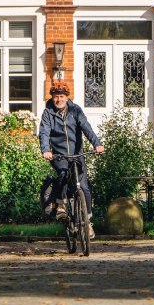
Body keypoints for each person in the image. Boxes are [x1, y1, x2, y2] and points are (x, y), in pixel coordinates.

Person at [39, 80, 104, 231]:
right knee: (63, 174)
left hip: (77, 154)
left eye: (62, 96)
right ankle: (61, 204)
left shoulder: (75, 110)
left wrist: (97, 144)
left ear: (67, 97)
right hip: (59, 155)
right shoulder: (48, 113)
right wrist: (46, 150)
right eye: (56, 96)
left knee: (84, 187)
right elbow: (44, 133)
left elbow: (87, 128)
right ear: (52, 98)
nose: (59, 99)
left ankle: (87, 222)